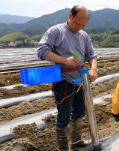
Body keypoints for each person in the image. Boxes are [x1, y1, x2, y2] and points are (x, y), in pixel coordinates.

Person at [37, 5, 97, 151]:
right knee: (64, 116)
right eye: (77, 23)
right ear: (70, 15)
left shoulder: (84, 36)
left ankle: (76, 141)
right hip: (64, 81)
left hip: (81, 81)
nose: (79, 27)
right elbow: (42, 51)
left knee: (80, 112)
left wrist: (93, 69)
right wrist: (64, 60)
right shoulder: (56, 31)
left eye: (83, 25)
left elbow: (92, 55)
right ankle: (63, 147)